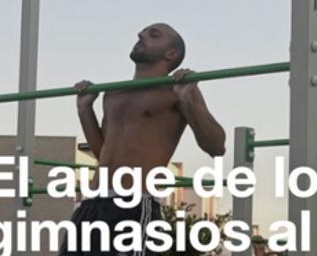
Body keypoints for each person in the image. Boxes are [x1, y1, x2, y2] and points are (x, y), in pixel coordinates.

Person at [61, 22, 227, 255]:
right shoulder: (113, 93)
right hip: (90, 204)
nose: (140, 35)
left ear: (171, 54)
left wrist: (189, 98)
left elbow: (216, 146)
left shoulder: (175, 91)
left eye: (153, 35)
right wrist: (84, 110)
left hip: (134, 205)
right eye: (143, 32)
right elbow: (103, 152)